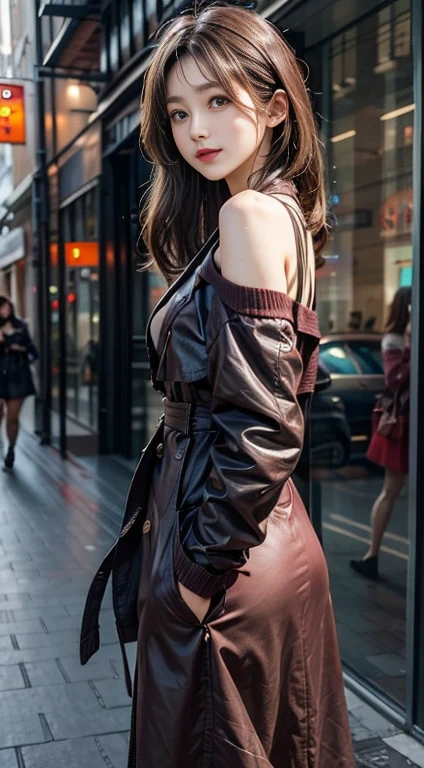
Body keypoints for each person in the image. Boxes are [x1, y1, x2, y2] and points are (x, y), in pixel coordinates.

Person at [80, 6, 355, 767]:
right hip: (253, 543)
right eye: (177, 110)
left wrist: (195, 578)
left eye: (218, 100)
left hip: (229, 557)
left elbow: (265, 425)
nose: (195, 127)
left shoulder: (248, 215)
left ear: (273, 106)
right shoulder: (279, 213)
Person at [351, 287, 411, 581]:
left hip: (411, 423)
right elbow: (395, 379)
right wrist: (411, 346)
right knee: (391, 489)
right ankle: (372, 553)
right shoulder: (395, 341)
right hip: (400, 424)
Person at [0, 295, 38, 470]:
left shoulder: (20, 326)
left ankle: (11, 450)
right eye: (2, 307)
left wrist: (19, 348)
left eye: (8, 307)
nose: (6, 310)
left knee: (12, 417)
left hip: (17, 377)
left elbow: (33, 352)